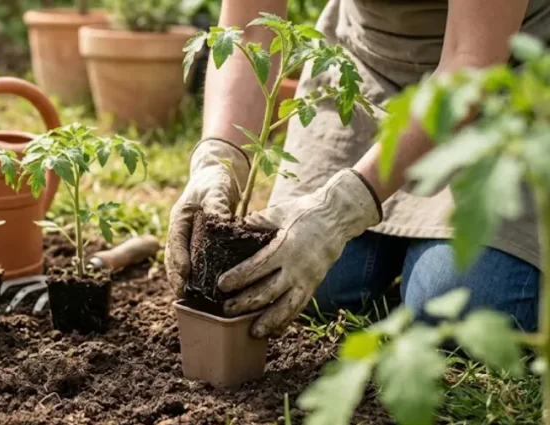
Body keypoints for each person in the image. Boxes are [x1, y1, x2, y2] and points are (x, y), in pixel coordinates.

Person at [166, 0, 549, 339]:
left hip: (503, 73)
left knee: (461, 306)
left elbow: (473, 62)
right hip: (365, 69)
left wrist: (341, 207)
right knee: (302, 285)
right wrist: (217, 158)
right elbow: (248, 28)